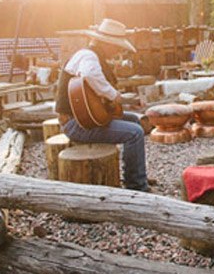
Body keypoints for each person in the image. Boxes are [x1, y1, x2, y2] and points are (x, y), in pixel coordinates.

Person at [55, 18, 151, 192]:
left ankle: (136, 175)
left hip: (84, 120)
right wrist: (115, 96)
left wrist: (121, 101)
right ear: (107, 44)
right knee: (135, 133)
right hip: (76, 125)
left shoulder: (91, 56)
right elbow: (90, 75)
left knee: (135, 122)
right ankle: (136, 186)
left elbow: (94, 94)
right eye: (117, 46)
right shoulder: (88, 56)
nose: (118, 50)